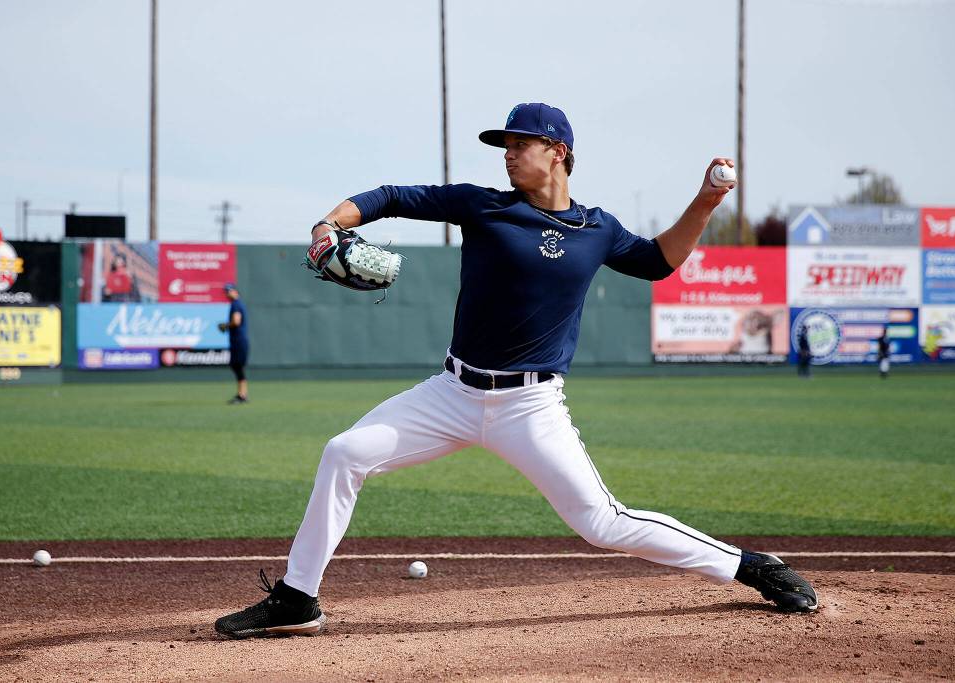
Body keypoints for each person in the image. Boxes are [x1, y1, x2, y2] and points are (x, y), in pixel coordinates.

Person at [215, 102, 818, 639]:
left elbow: (660, 261)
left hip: (530, 408)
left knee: (602, 523)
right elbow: (392, 196)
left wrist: (707, 200)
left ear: (557, 152)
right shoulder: (482, 207)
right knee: (344, 453)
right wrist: (331, 223)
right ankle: (296, 599)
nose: (508, 155)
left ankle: (751, 566)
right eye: (504, 146)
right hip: (451, 393)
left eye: (519, 144)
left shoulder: (596, 229)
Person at [218, 283, 249, 404]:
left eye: (229, 291)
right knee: (237, 367)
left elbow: (236, 321)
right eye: (226, 291)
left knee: (237, 367)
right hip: (239, 341)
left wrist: (225, 325)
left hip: (239, 341)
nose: (227, 293)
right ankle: (242, 394)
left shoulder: (236, 304)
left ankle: (242, 395)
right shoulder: (237, 304)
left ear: (235, 291)